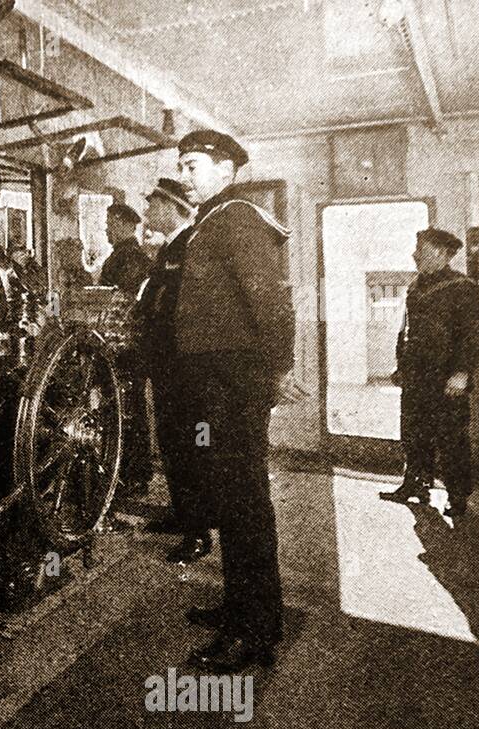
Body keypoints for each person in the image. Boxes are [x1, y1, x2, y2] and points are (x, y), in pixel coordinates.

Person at [173, 129, 302, 672]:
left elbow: (270, 303)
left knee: (244, 504)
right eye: (181, 165)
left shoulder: (239, 219)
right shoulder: (213, 221)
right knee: (231, 499)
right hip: (215, 379)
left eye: (195, 165)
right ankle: (239, 608)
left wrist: (276, 370)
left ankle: (254, 632)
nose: (185, 175)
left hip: (234, 380)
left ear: (227, 169)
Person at [379, 228, 479, 519]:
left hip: (446, 378)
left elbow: (474, 336)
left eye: (421, 249)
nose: (415, 254)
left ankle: (458, 496)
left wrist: (462, 372)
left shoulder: (464, 288)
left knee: (451, 439)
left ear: (441, 253)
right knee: (413, 434)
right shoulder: (416, 287)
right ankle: (415, 484)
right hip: (416, 376)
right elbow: (407, 331)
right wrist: (401, 365)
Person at [133, 177, 210, 562]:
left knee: (190, 447)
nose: (147, 212)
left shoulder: (189, 245)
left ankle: (198, 533)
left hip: (184, 368)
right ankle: (183, 515)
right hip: (167, 365)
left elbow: (180, 308)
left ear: (170, 207)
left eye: (152, 205)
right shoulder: (169, 249)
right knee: (173, 445)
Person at [98, 201, 155, 495]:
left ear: (122, 224)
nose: (106, 229)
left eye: (109, 223)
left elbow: (119, 306)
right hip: (129, 347)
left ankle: (132, 475)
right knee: (126, 408)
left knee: (126, 410)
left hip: (125, 347)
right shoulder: (124, 256)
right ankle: (128, 473)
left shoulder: (129, 258)